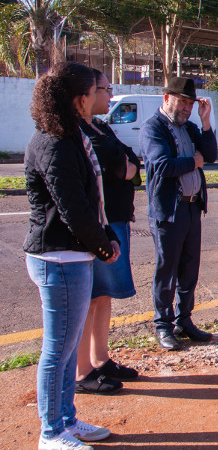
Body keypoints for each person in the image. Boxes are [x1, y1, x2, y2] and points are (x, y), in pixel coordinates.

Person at [24, 61, 119, 449]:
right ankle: (51, 433)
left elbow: (90, 199)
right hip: (58, 259)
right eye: (99, 90)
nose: (104, 95)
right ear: (81, 98)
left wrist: (104, 236)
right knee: (57, 351)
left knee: (66, 347)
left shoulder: (72, 133)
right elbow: (73, 209)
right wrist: (101, 244)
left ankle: (66, 420)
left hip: (72, 258)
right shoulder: (53, 143)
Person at [75, 70, 140, 394]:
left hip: (114, 219)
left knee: (103, 295)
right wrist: (126, 165)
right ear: (86, 93)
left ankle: (100, 359)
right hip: (98, 223)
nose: (110, 95)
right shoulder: (78, 131)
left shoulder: (99, 126)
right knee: (88, 297)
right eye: (105, 89)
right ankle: (81, 372)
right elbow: (118, 161)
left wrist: (128, 166)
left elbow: (130, 162)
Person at [141, 77, 216, 350]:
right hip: (169, 211)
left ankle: (184, 320)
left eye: (189, 103)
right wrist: (193, 161)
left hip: (192, 207)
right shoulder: (153, 129)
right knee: (167, 270)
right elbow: (163, 165)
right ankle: (163, 324)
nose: (186, 108)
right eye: (181, 101)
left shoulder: (191, 127)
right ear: (166, 98)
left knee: (189, 269)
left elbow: (210, 153)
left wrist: (205, 121)